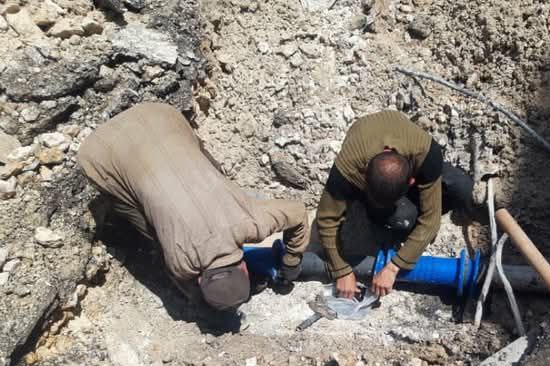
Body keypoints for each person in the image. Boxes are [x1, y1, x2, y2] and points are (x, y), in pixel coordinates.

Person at [78, 102, 309, 311]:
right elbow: (189, 289)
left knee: (208, 167)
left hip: (159, 115)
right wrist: (290, 265)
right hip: (102, 152)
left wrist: (291, 261)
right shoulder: (180, 262)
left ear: (245, 269)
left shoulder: (251, 222)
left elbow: (298, 213)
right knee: (153, 232)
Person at [317, 109, 474, 298]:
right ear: (363, 180)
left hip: (411, 161)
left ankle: (404, 216)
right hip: (367, 154)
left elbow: (431, 222)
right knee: (402, 218)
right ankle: (382, 216)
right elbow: (326, 219)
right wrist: (341, 270)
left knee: (462, 188)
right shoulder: (348, 168)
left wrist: (393, 268)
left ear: (412, 182)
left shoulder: (427, 154)